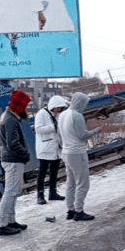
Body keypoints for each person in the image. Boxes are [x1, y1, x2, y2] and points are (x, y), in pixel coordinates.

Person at [0, 90, 32, 236]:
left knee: (13, 192)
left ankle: (10, 221)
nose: (26, 108)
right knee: (10, 192)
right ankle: (1, 224)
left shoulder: (8, 116)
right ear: (19, 105)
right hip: (13, 160)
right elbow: (13, 144)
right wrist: (26, 154)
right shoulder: (10, 120)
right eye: (25, 105)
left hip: (10, 159)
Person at [58, 92, 100, 221]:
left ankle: (70, 210)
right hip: (77, 152)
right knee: (83, 183)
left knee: (71, 183)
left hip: (66, 152)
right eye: (84, 103)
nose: (85, 106)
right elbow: (82, 135)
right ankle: (79, 211)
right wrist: (96, 131)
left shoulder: (62, 115)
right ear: (80, 102)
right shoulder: (77, 116)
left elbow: (60, 136)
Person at [34, 95, 69, 204]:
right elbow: (38, 129)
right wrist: (54, 127)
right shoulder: (42, 114)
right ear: (53, 106)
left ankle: (52, 193)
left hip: (55, 148)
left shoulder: (57, 115)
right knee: (42, 172)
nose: (59, 110)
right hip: (44, 148)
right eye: (57, 107)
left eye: (60, 108)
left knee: (54, 171)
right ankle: (40, 195)